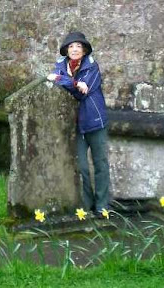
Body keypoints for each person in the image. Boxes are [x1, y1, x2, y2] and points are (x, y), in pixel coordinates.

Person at [47, 32, 110, 218]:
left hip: (95, 121)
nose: (75, 49)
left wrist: (61, 80)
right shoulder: (60, 66)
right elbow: (64, 83)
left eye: (79, 46)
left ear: (84, 50)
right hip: (77, 124)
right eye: (71, 46)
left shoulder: (92, 67)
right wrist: (72, 82)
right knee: (81, 167)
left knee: (100, 165)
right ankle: (88, 205)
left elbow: (82, 93)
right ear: (67, 50)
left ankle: (102, 206)